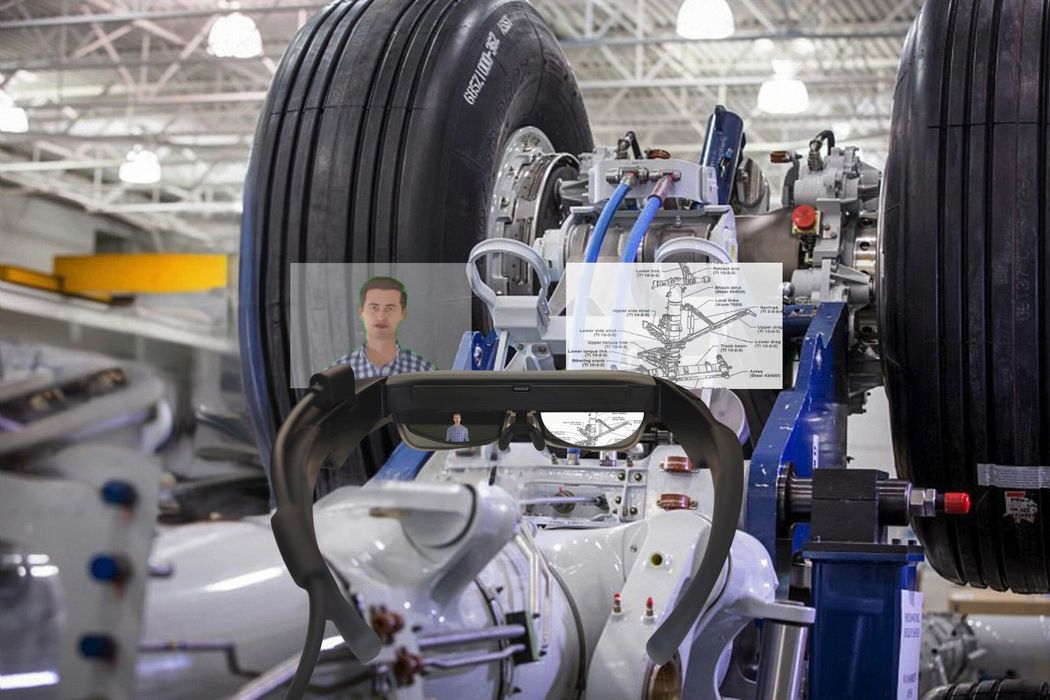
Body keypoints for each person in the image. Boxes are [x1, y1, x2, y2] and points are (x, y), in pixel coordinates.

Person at [329, 276, 437, 377]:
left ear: (403, 314)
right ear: (362, 312)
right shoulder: (335, 376)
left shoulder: (425, 372)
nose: (381, 317)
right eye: (374, 307)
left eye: (390, 308)